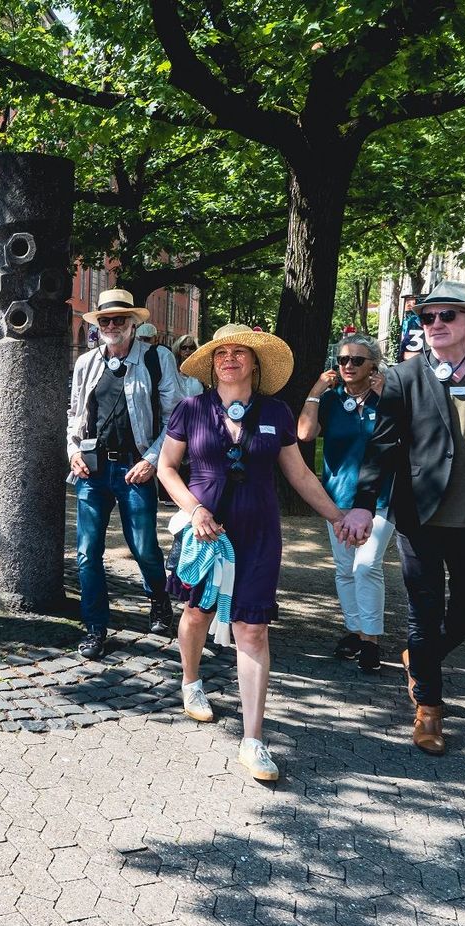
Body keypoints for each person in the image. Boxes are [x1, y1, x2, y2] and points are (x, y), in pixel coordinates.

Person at [158, 324, 350, 781]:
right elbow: (166, 467)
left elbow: (301, 476)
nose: (229, 358)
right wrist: (195, 508)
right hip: (204, 529)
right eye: (221, 353)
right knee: (198, 612)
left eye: (239, 352)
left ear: (255, 363)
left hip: (260, 531)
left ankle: (253, 740)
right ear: (210, 365)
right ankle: (191, 681)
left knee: (253, 629)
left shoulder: (276, 412)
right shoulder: (190, 409)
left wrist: (336, 516)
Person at [344, 280, 465, 756]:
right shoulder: (404, 378)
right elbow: (382, 446)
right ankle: (428, 707)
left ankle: (420, 659)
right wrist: (364, 503)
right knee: (423, 614)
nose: (435, 325)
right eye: (428, 317)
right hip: (420, 519)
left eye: (447, 316)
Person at [67, 289, 181, 657]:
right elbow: (74, 416)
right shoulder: (86, 363)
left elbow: (174, 419)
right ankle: (96, 627)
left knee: (144, 547)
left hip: (136, 468)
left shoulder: (156, 358)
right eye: (105, 320)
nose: (112, 325)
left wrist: (151, 459)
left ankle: (159, 598)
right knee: (86, 552)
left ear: (134, 324)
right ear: (98, 325)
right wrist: (72, 451)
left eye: (119, 319)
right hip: (93, 468)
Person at [296, 334, 390, 671]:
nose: (348, 365)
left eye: (357, 360)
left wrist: (386, 395)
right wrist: (315, 392)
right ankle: (354, 631)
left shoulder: (386, 397)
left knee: (367, 566)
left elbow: (410, 430)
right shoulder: (332, 399)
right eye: (342, 360)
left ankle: (371, 641)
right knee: (345, 569)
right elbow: (305, 434)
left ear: (373, 366)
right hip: (337, 497)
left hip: (381, 497)